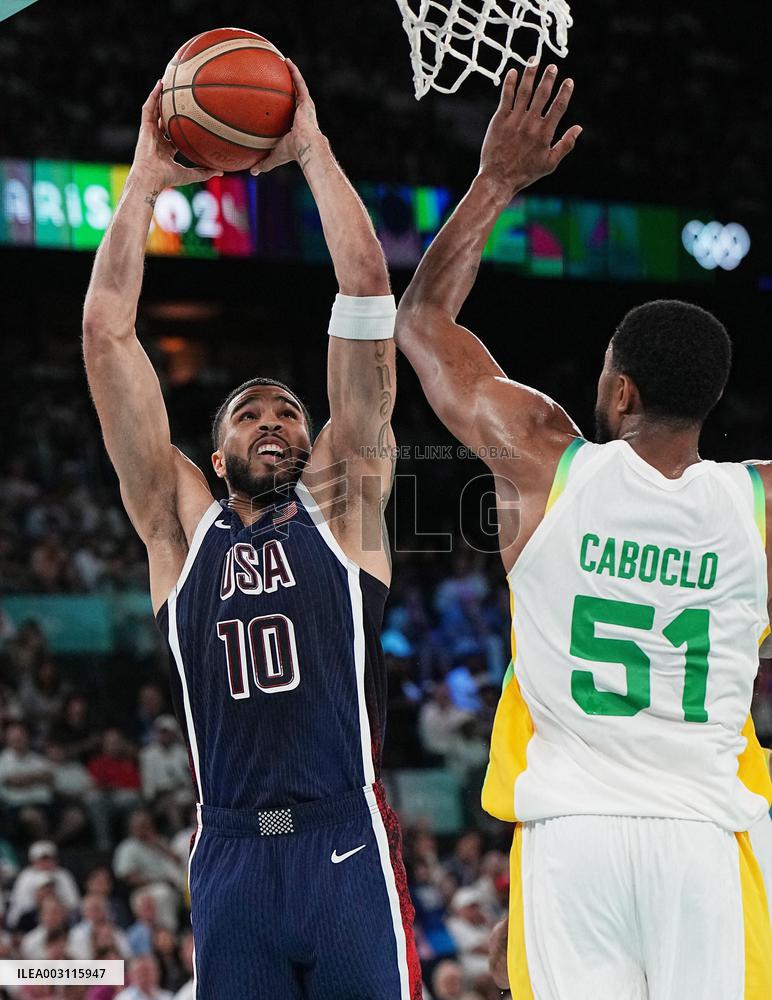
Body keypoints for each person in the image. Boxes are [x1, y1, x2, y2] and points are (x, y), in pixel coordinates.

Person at [395, 61, 772, 998]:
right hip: (707, 839)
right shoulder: (758, 505)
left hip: (573, 844)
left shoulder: (543, 459)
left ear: (619, 391)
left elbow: (423, 320)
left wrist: (497, 182)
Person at [82, 61, 419, 999]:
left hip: (342, 839)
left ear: (314, 441)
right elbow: (107, 332)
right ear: (213, 452)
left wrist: (308, 147)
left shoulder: (345, 503)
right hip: (229, 854)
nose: (272, 421)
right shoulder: (177, 529)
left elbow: (363, 290)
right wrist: (145, 178)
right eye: (247, 413)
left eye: (286, 412)